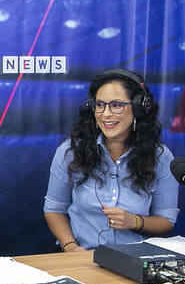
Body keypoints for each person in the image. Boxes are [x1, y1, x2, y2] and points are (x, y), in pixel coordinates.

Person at [44, 69, 178, 251]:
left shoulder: (160, 156)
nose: (105, 114)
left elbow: (166, 220)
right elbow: (54, 210)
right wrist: (71, 247)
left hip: (135, 260)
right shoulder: (70, 151)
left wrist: (135, 221)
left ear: (139, 108)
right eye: (100, 105)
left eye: (116, 105)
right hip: (83, 259)